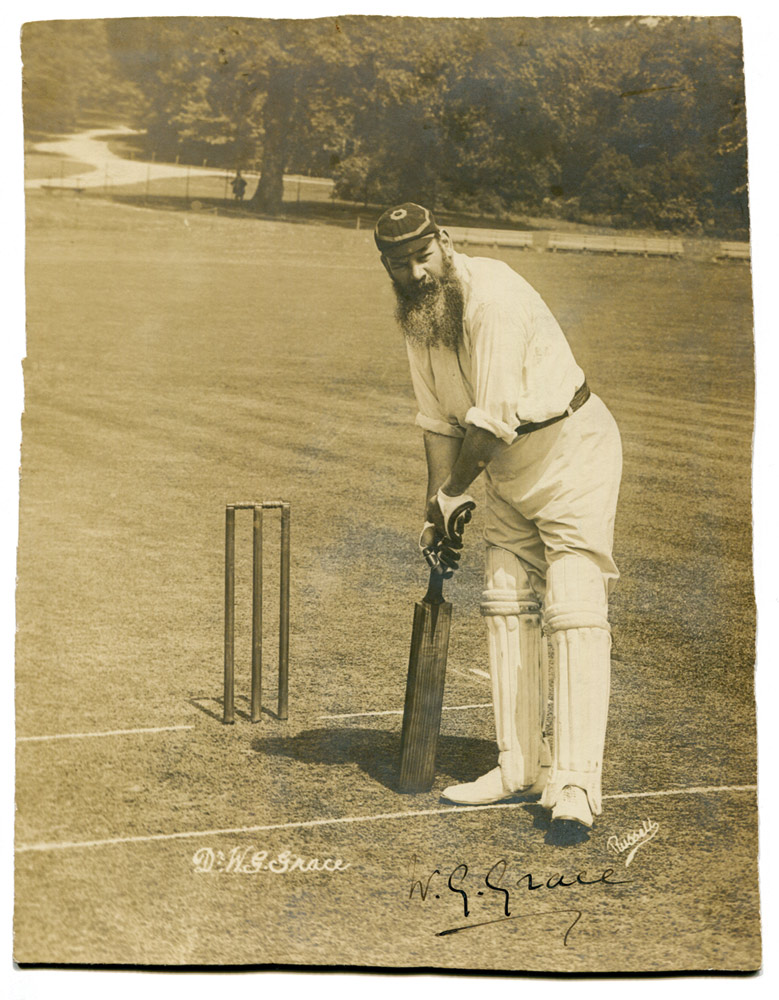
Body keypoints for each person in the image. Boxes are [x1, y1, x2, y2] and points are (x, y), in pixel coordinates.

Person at [374, 203, 622, 830]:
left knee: (572, 603)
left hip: (570, 452)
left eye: (423, 256)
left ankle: (575, 784)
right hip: (508, 470)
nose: (417, 273)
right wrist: (438, 506)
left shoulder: (494, 301)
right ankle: (519, 767)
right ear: (388, 269)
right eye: (401, 265)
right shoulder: (419, 320)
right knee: (506, 599)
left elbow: (489, 423)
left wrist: (458, 490)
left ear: (446, 245)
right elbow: (439, 422)